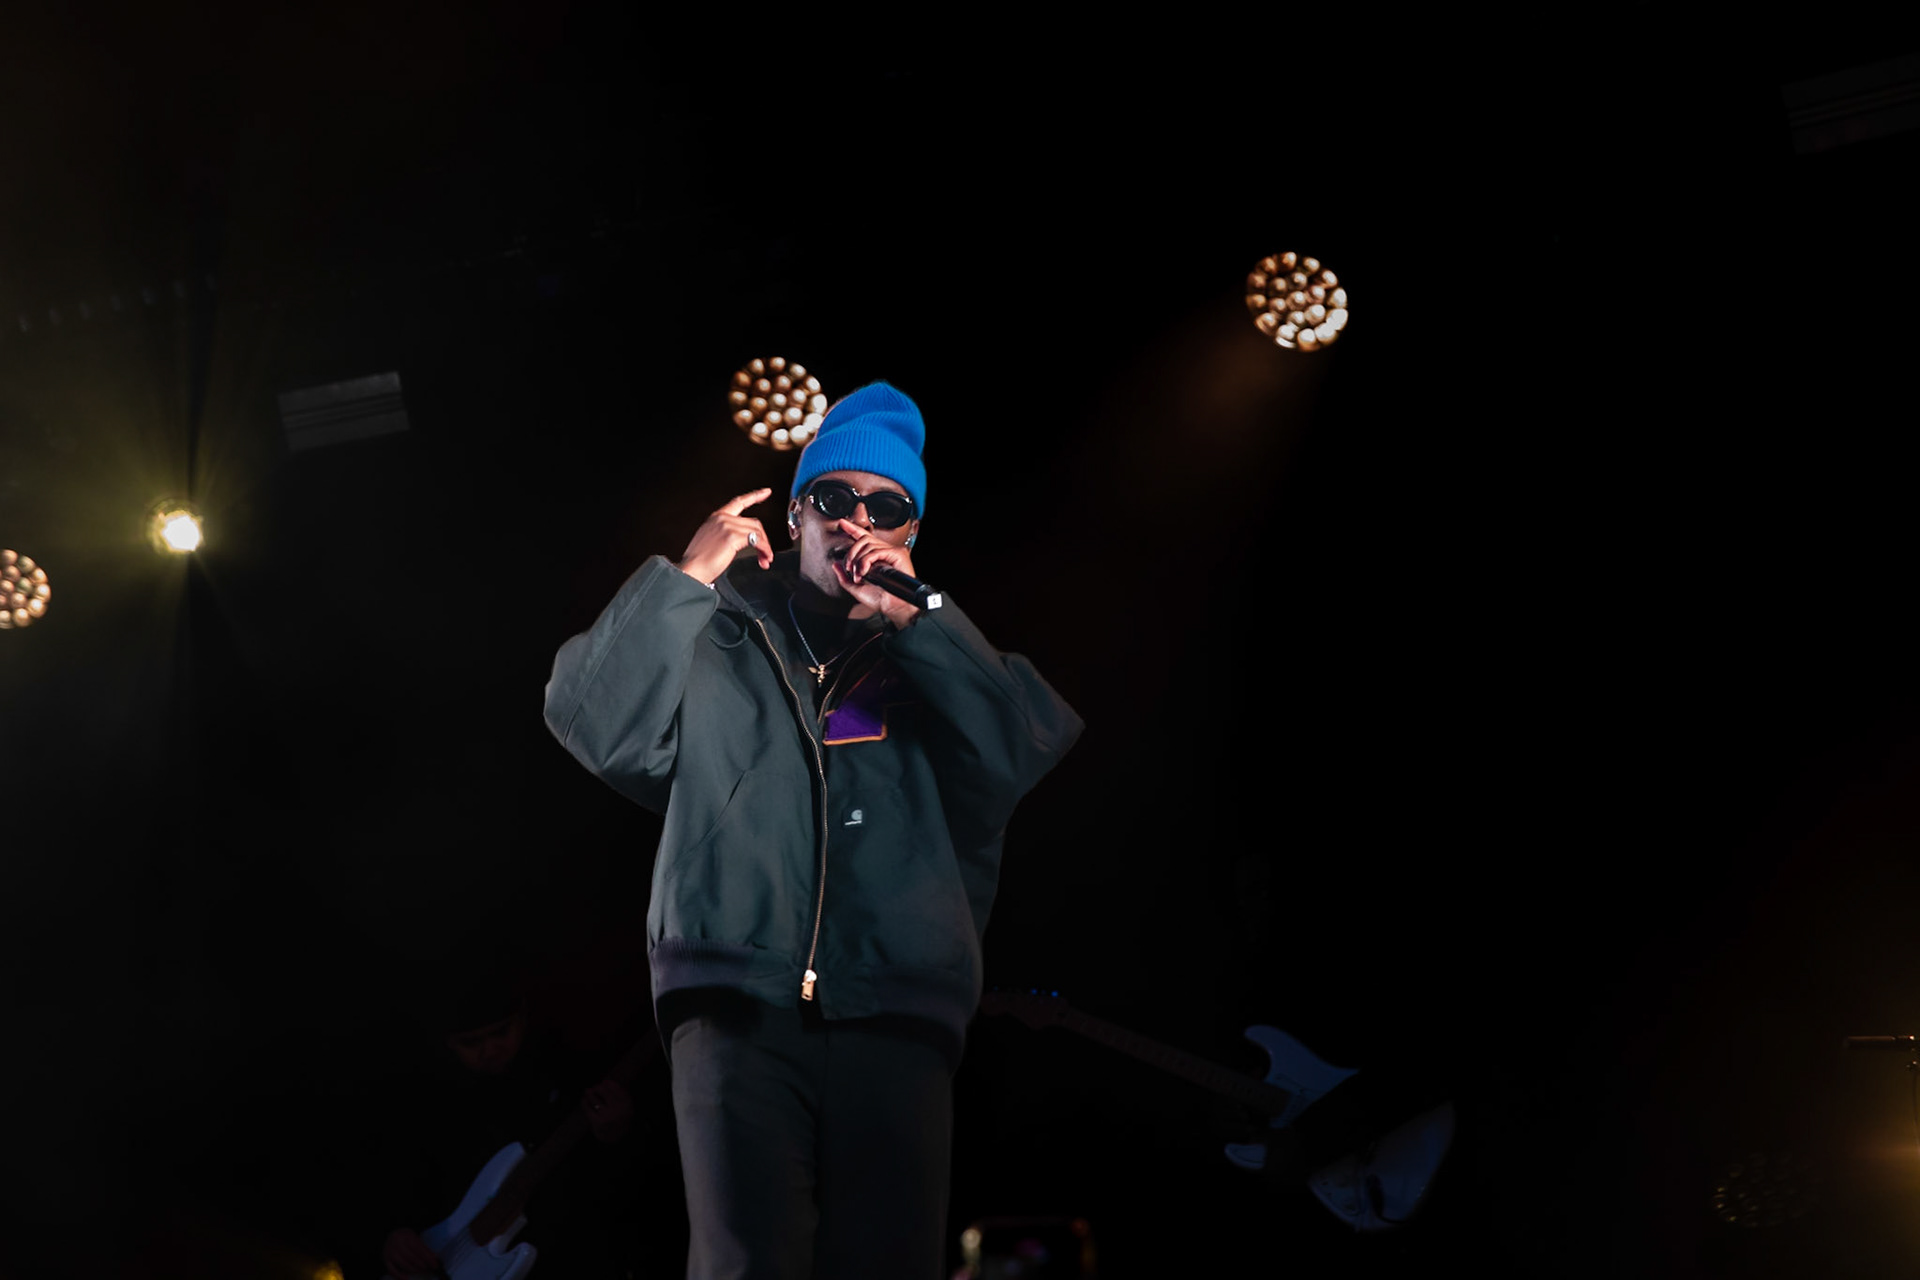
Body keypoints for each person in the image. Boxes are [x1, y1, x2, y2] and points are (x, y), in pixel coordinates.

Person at [543, 380, 1083, 1278]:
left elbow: (1016, 751)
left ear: (911, 534)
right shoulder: (714, 632)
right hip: (732, 995)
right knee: (744, 1263)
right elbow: (593, 720)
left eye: (888, 507)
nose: (856, 520)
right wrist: (682, 578)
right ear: (797, 516)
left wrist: (923, 623)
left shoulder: (936, 657)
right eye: (834, 498)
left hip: (897, 1000)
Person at [372, 971, 674, 1279]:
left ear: (522, 1018)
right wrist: (394, 1233)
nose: (489, 1050)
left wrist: (621, 1135)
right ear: (448, 1044)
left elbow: (639, 1186)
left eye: (501, 1033)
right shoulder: (425, 1105)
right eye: (471, 1042)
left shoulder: (568, 1069)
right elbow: (394, 1182)